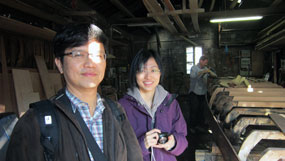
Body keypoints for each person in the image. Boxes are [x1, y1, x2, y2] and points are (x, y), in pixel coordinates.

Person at [6, 23, 143, 161]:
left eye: (97, 55)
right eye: (78, 54)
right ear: (59, 64)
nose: (89, 63)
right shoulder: (35, 121)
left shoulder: (116, 111)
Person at [119, 49, 188, 161]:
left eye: (153, 70)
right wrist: (142, 145)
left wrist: (173, 143)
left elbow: (183, 139)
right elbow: (117, 150)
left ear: (160, 73)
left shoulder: (171, 104)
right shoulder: (122, 107)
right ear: (135, 74)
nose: (148, 77)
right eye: (142, 70)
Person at [188, 55, 217, 133]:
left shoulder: (206, 69)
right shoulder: (194, 68)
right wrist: (203, 72)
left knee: (201, 110)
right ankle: (192, 126)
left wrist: (210, 71)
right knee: (194, 110)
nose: (206, 64)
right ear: (201, 61)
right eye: (205, 62)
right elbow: (193, 77)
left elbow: (215, 76)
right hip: (194, 92)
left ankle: (199, 125)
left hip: (203, 92)